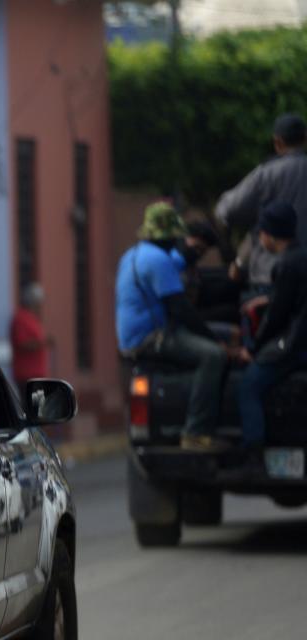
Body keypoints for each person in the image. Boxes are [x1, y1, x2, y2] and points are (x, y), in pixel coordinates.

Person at [115, 202, 229, 452]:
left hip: (134, 338)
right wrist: (213, 340)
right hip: (150, 338)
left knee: (217, 338)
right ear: (167, 236)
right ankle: (196, 432)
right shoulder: (159, 260)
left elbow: (178, 269)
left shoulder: (133, 254)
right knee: (214, 356)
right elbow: (181, 309)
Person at [237, 203, 307, 463]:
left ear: (270, 234)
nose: (260, 238)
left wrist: (252, 347)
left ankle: (253, 452)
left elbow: (277, 317)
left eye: (262, 233)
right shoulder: (301, 257)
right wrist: (267, 299)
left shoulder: (286, 265)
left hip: (293, 345)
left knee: (249, 387)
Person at [217, 113, 307, 290]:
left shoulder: (266, 173)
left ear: (277, 142)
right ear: (305, 139)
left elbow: (228, 210)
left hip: (270, 274)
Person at [10, 282, 51, 400]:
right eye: (38, 303)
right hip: (27, 375)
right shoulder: (20, 318)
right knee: (34, 409)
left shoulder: (32, 318)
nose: (40, 306)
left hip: (36, 374)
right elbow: (23, 343)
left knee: (38, 407)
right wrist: (43, 343)